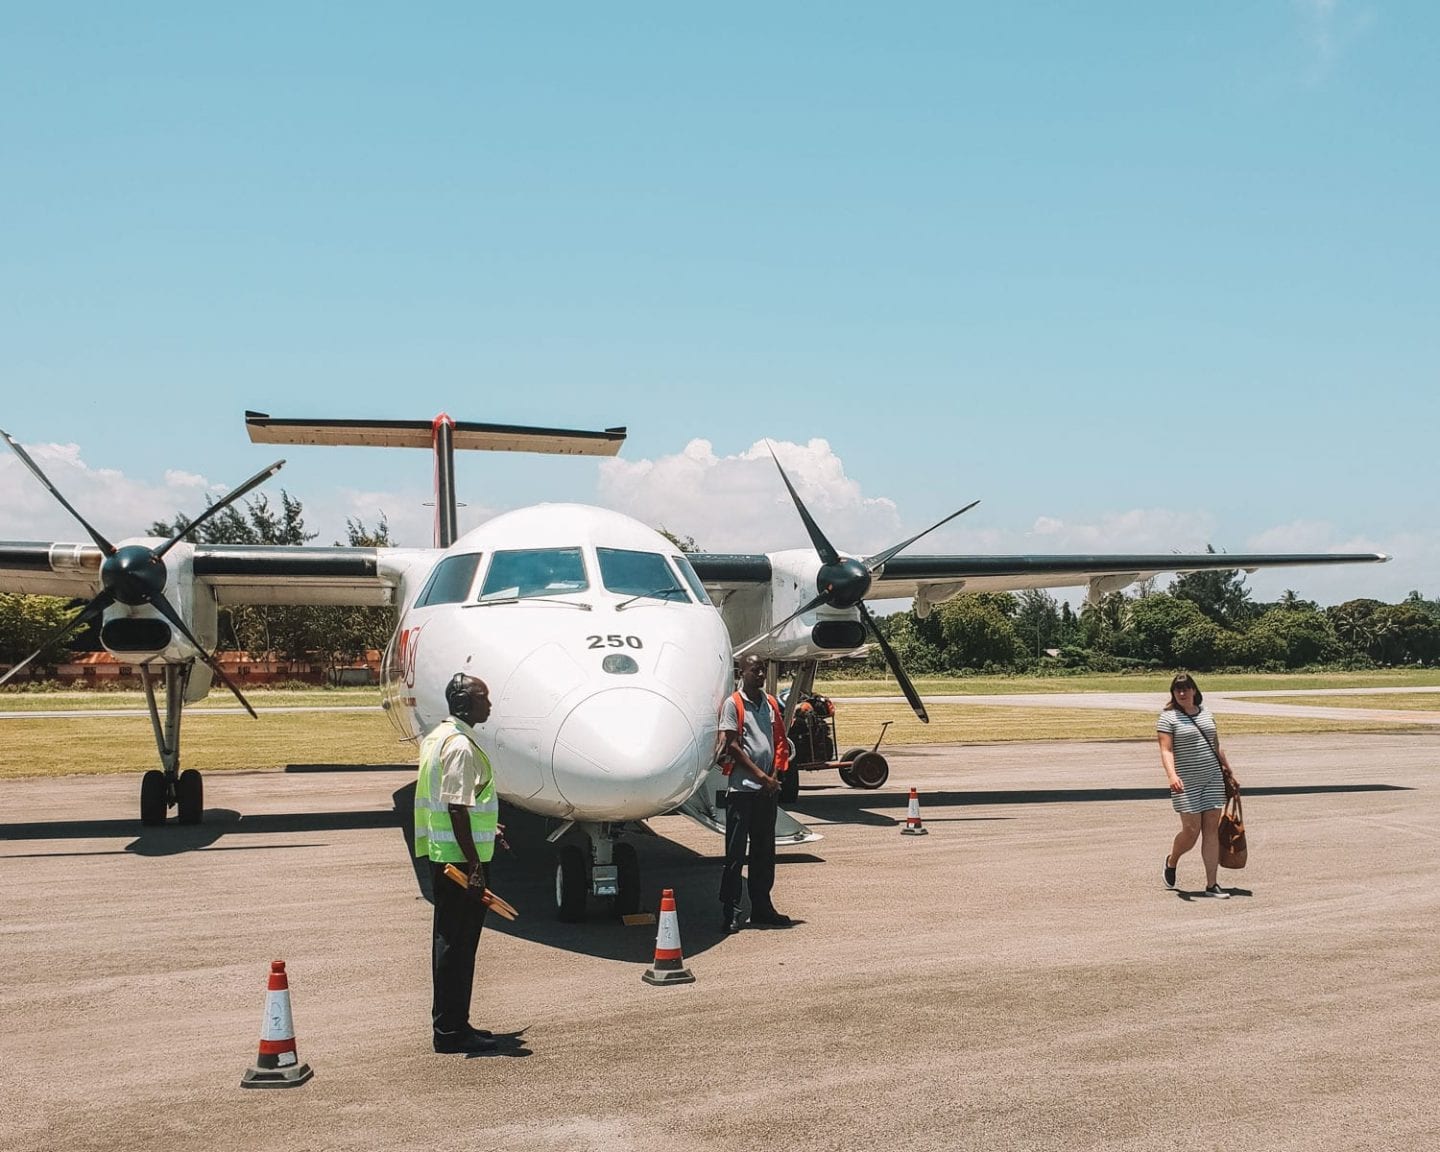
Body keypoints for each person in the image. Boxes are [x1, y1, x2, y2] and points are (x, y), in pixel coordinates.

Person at [414, 673, 501, 1052]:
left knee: (450, 942)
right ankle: (451, 1030)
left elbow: (456, 803)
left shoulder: (437, 738)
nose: (490, 705)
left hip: (444, 855)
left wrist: (488, 826)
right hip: (460, 864)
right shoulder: (461, 746)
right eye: (484, 698)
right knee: (458, 946)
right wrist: (475, 865)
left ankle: (451, 1024)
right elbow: (456, 807)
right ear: (466, 703)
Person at [717, 654, 793, 933]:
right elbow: (733, 746)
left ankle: (762, 907)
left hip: (766, 791)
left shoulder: (770, 703)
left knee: (764, 852)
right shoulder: (733, 704)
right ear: (742, 672)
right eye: (754, 671)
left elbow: (779, 740)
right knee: (736, 854)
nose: (760, 675)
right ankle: (732, 910)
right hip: (742, 790)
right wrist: (761, 776)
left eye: (763, 671)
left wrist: (774, 776)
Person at [1157, 672, 1239, 898]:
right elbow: (1166, 750)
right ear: (1173, 693)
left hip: (1212, 778)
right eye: (1177, 689)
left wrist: (1228, 769)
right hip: (1187, 783)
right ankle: (1172, 861)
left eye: (1186, 688)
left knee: (1211, 830)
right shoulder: (1168, 718)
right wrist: (1172, 775)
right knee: (1191, 832)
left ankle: (1212, 884)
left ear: (1194, 690)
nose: (1182, 693)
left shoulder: (1206, 714)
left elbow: (1215, 744)